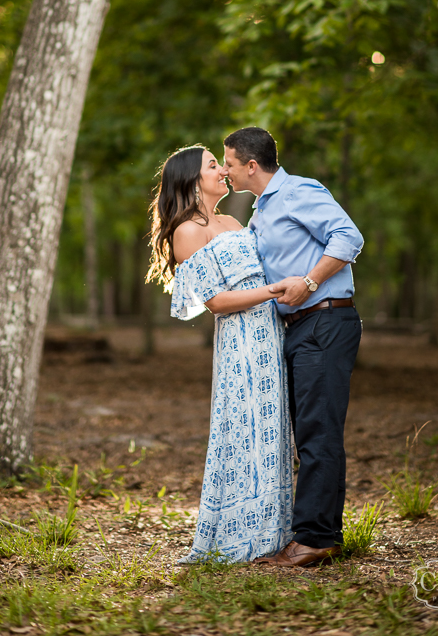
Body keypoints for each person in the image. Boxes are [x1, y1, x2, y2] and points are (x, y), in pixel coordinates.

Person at [222, 127, 364, 568]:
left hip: (325, 320)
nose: (224, 171)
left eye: (228, 163)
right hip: (299, 328)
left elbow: (349, 237)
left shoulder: (300, 191)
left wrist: (309, 281)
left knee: (318, 431)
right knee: (310, 430)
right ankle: (321, 533)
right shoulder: (261, 211)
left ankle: (315, 539)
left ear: (250, 165)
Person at [147, 144, 294, 563]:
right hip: (241, 341)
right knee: (243, 428)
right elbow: (214, 300)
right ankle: (236, 535)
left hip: (273, 333)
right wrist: (272, 291)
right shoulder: (188, 230)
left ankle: (274, 530)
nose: (223, 171)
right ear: (193, 179)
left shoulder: (232, 219)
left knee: (273, 430)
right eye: (214, 165)